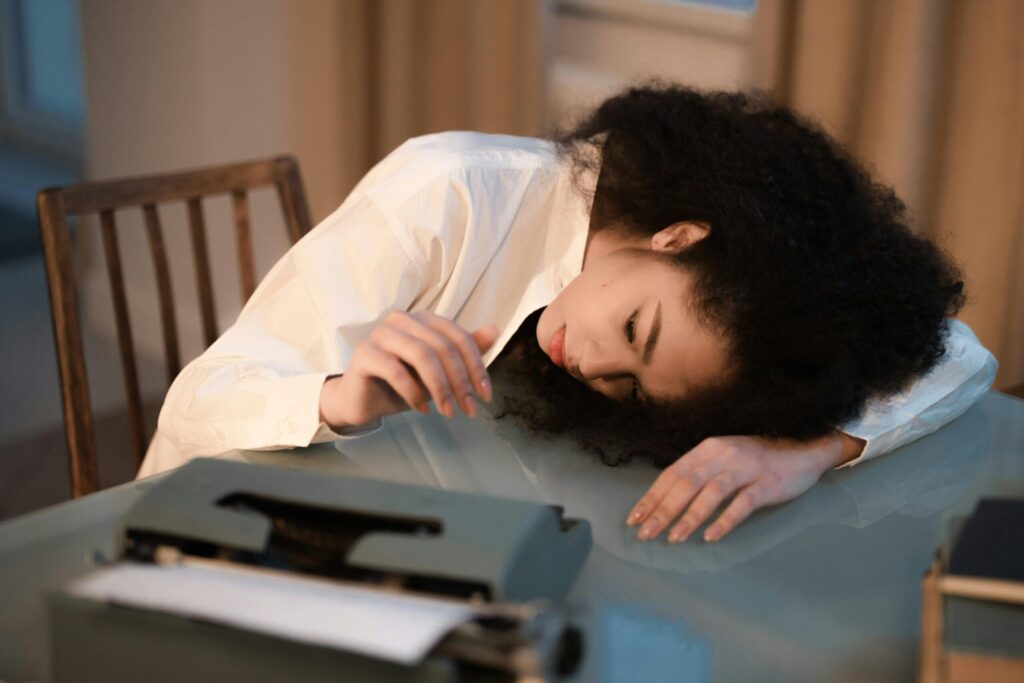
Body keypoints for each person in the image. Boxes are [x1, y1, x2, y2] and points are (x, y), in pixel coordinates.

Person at [140, 83, 996, 544]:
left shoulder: (682, 332)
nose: (587, 361)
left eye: (630, 386)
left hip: (423, 562)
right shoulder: (450, 195)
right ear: (675, 236)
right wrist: (336, 395)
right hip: (226, 543)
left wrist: (803, 450)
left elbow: (958, 354)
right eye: (633, 329)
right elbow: (197, 404)